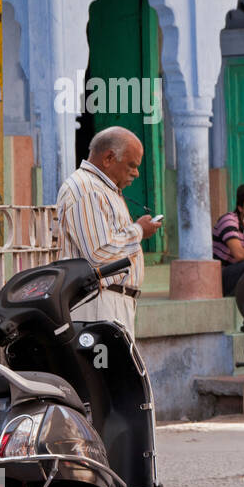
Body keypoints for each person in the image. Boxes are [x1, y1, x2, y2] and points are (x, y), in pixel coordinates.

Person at [56, 126, 162, 336]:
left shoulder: (104, 188)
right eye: (131, 165)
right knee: (104, 368)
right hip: (98, 303)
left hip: (113, 302)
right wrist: (139, 231)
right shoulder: (85, 189)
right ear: (108, 158)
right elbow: (99, 253)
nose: (136, 173)